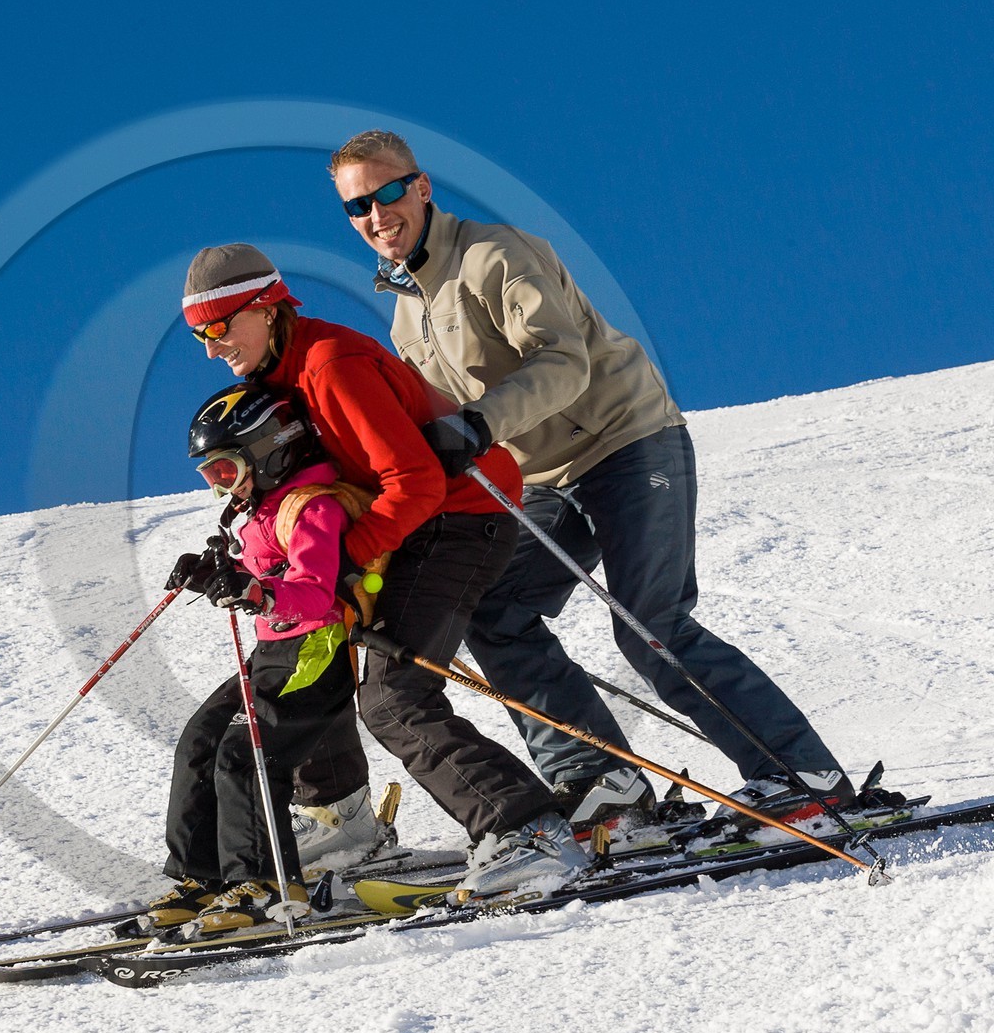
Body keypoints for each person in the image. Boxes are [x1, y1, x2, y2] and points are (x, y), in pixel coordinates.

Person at [327, 129, 860, 832]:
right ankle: (600, 780)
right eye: (357, 205)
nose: (375, 214)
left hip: (627, 442)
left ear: (422, 187)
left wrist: (480, 425)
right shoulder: (405, 313)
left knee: (650, 626)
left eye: (388, 191)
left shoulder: (496, 254)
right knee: (494, 609)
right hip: (541, 477)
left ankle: (800, 775)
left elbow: (563, 361)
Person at [182, 244, 589, 896]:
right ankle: (339, 819)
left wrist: (346, 559)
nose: (209, 347)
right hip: (408, 527)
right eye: (198, 334)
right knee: (313, 656)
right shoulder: (275, 378)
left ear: (263, 307)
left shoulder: (330, 365)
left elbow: (417, 481)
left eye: (217, 327)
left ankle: (527, 832)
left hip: (460, 516)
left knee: (394, 697)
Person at [143, 381, 358, 935]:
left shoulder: (315, 507)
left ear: (268, 449)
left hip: (316, 648)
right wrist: (216, 575)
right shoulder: (263, 513)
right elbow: (261, 577)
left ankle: (264, 882)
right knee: (200, 742)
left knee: (245, 753)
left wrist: (257, 592)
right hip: (274, 650)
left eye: (224, 471)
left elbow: (313, 591)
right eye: (210, 476)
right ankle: (206, 874)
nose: (220, 488)